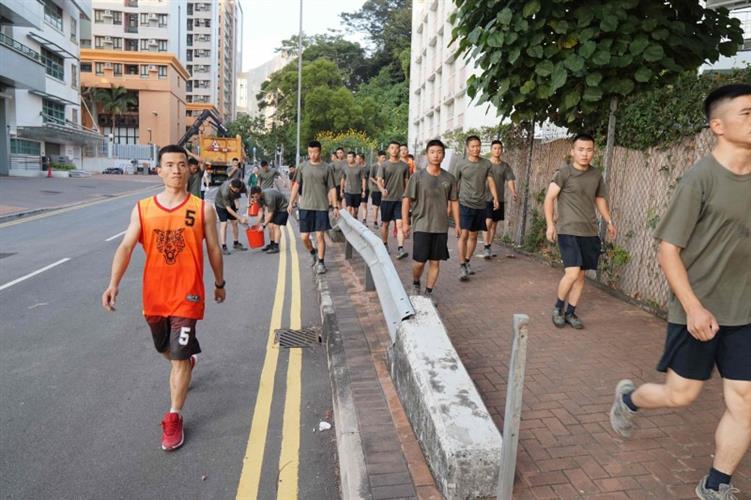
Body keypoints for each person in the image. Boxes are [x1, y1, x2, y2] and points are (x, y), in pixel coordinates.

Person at [609, 84, 751, 500]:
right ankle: (630, 399)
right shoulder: (699, 180)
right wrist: (692, 307)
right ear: (718, 126)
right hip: (699, 309)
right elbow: (668, 249)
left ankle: (715, 485)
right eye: (747, 112)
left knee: (744, 399)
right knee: (681, 395)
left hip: (744, 312)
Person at [101, 144, 225, 452]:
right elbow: (127, 247)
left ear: (189, 169)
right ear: (159, 170)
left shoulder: (202, 208)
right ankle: (187, 357)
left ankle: (174, 416)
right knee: (165, 351)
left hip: (188, 295)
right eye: (169, 165)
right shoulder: (143, 209)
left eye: (181, 164)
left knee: (178, 358)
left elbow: (213, 249)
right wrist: (113, 283)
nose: (176, 170)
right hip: (155, 296)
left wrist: (220, 283)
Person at [543, 133, 615, 329]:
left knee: (581, 276)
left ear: (594, 151)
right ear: (572, 151)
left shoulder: (596, 175)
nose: (585, 154)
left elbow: (599, 199)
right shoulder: (563, 173)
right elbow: (549, 198)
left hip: (589, 232)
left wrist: (608, 221)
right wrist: (550, 224)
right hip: (568, 230)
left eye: (589, 150)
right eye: (580, 150)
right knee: (572, 273)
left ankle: (571, 312)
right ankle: (558, 307)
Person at [402, 139, 459, 304]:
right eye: (432, 152)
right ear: (427, 154)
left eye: (439, 152)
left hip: (441, 226)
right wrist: (405, 223)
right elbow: (406, 200)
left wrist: (458, 225)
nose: (436, 155)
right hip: (421, 224)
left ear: (443, 155)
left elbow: (454, 201)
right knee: (419, 262)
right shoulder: (417, 177)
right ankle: (415, 282)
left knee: (435, 261)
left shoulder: (449, 178)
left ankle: (428, 292)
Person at [288, 140, 339, 274]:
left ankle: (321, 262)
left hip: (321, 207)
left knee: (320, 236)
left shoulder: (327, 168)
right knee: (304, 237)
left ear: (320, 152)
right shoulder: (302, 167)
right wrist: (290, 202)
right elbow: (296, 185)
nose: (312, 155)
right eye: (310, 152)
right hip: (305, 206)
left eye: (315, 152)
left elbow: (332, 188)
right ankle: (313, 253)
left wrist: (335, 206)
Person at [454, 135, 500, 281]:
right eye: (473, 146)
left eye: (478, 146)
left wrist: (495, 197)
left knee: (474, 236)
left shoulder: (486, 164)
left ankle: (467, 261)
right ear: (467, 148)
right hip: (465, 203)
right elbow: (454, 184)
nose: (476, 149)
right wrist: (451, 203)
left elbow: (491, 180)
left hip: (481, 204)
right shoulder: (461, 165)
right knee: (464, 234)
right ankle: (461, 265)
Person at [482, 140, 518, 258]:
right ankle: (486, 246)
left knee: (494, 225)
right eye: (495, 148)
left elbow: (510, 180)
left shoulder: (505, 166)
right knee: (487, 222)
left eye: (499, 148)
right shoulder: (485, 164)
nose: (497, 150)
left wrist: (513, 192)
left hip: (500, 198)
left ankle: (488, 246)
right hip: (486, 198)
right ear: (491, 150)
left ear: (502, 150)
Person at [376, 141, 410, 259]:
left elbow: (407, 183)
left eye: (397, 148)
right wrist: (382, 189)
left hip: (400, 200)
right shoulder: (384, 165)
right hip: (387, 199)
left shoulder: (405, 166)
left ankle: (400, 248)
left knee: (399, 224)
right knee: (385, 224)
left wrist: (408, 197)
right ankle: (384, 244)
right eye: (392, 148)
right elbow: (379, 181)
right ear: (388, 150)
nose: (395, 150)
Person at [214, 178, 249, 255]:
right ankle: (224, 246)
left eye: (238, 190)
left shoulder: (241, 184)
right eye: (235, 190)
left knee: (235, 222)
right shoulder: (225, 191)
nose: (237, 192)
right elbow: (228, 209)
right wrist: (240, 217)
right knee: (224, 224)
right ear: (231, 186)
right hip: (221, 205)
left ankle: (236, 243)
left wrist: (249, 202)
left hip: (231, 202)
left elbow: (247, 192)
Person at [249, 186, 289, 255]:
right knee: (270, 226)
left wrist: (263, 225)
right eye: (253, 196)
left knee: (276, 226)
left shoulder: (269, 198)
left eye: (256, 196)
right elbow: (261, 210)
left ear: (260, 193)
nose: (255, 198)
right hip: (275, 207)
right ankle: (272, 243)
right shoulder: (258, 198)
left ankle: (276, 246)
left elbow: (270, 213)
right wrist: (257, 223)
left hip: (283, 207)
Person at [341, 151, 366, 217]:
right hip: (348, 191)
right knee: (348, 208)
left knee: (356, 210)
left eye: (350, 157)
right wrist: (341, 190)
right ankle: (349, 224)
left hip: (357, 191)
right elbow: (343, 179)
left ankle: (354, 219)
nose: (348, 158)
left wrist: (363, 191)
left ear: (354, 158)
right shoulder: (344, 167)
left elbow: (363, 179)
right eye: (347, 157)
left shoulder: (360, 168)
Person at [369, 150, 386, 227]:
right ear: (378, 157)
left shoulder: (386, 165)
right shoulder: (374, 166)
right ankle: (375, 221)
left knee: (383, 206)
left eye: (385, 157)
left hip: (384, 190)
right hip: (376, 189)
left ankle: (383, 220)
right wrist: (378, 183)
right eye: (382, 157)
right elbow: (370, 177)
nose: (384, 159)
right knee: (376, 206)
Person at [357, 153, 370, 223]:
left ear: (362, 159)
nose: (357, 160)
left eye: (358, 158)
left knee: (364, 204)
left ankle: (364, 220)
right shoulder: (355, 167)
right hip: (356, 188)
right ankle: (355, 219)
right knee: (356, 206)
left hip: (365, 188)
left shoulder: (368, 167)